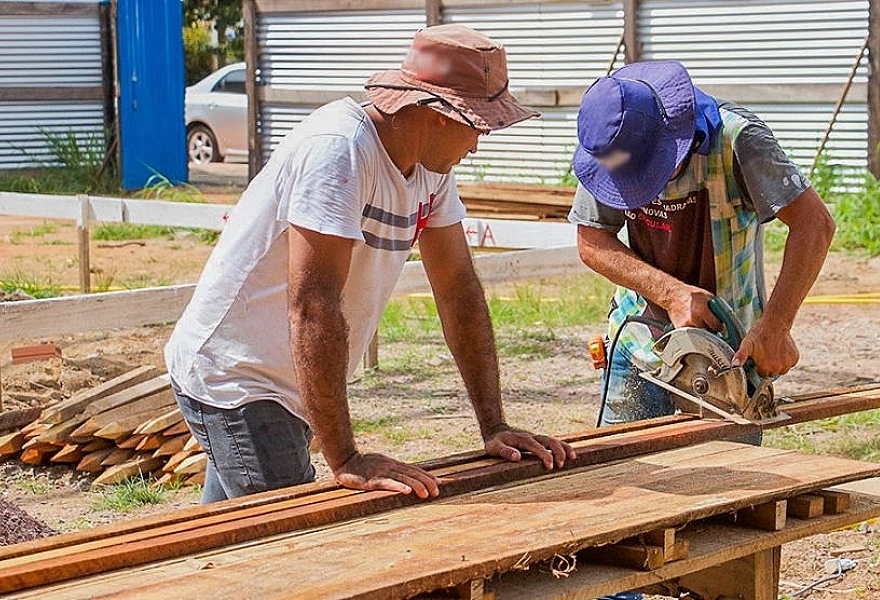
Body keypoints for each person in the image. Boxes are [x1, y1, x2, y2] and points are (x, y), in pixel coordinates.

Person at [165, 24, 575, 504]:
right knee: (292, 543)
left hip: (289, 375)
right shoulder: (339, 151)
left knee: (227, 546)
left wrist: (494, 425)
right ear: (438, 115)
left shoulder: (431, 169)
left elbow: (458, 289)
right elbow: (313, 305)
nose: (478, 145)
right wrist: (346, 460)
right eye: (477, 126)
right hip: (239, 375)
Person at [570, 60, 836, 430]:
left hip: (725, 359)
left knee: (729, 482)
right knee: (626, 472)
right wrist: (670, 294)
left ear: (672, 137)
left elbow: (814, 224)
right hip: (637, 339)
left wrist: (776, 324)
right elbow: (591, 241)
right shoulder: (611, 144)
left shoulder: (738, 140)